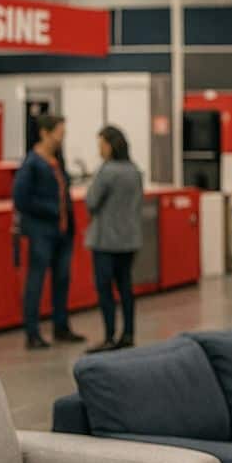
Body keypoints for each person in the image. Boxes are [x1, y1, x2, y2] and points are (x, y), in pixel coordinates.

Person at [13, 114, 84, 350]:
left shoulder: (57, 160)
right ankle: (32, 333)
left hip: (63, 231)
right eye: (59, 133)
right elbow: (21, 199)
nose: (61, 138)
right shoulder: (32, 163)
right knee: (36, 281)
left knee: (62, 279)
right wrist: (51, 209)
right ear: (44, 133)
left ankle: (61, 326)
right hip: (41, 231)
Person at [83, 126, 143, 353]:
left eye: (101, 145)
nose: (99, 150)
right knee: (126, 287)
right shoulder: (134, 170)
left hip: (106, 241)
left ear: (109, 146)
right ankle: (128, 333)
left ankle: (109, 336)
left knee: (105, 288)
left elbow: (91, 201)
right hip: (129, 239)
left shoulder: (106, 171)